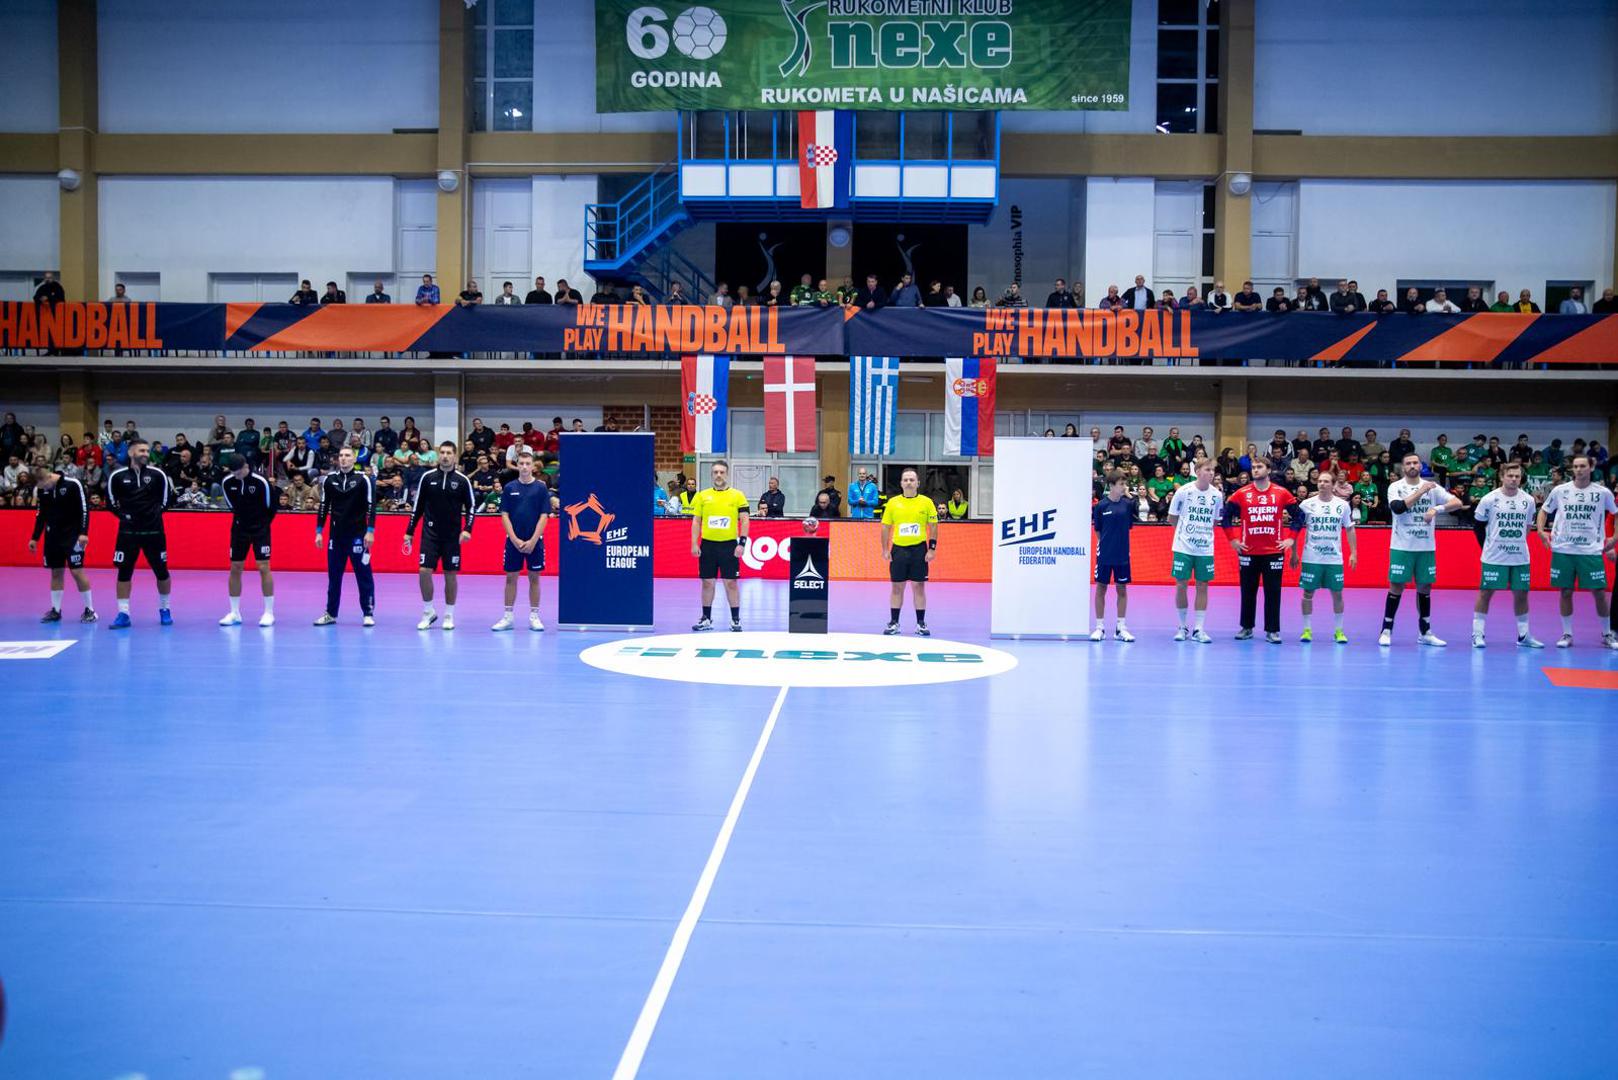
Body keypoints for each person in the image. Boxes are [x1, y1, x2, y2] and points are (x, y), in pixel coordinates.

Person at [1537, 455, 1617, 648]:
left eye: (1583, 466)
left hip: (1590, 550)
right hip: (1564, 548)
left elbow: (1615, 514)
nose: (1579, 469)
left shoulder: (1602, 492)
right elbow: (1544, 510)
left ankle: (1607, 634)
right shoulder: (1560, 490)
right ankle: (1567, 634)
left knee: (1598, 592)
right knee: (1565, 591)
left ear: (1591, 467)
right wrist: (1540, 531)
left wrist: (1615, 537)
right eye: (1575, 466)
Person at [1382, 453, 1461, 647]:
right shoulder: (1396, 486)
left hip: (1426, 547)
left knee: (1425, 587)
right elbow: (1398, 508)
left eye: (1415, 462)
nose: (1412, 466)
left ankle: (1425, 632)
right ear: (1403, 467)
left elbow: (1457, 503)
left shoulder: (1432, 487)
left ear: (1420, 465)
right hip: (1402, 546)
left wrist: (1437, 509)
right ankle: (1386, 629)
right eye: (1408, 463)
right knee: (1396, 586)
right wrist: (1421, 491)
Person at [403, 442, 477, 631]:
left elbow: (471, 507)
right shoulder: (427, 478)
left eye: (449, 453)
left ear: (454, 456)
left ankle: (449, 614)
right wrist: (409, 532)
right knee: (424, 571)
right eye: (442, 452)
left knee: (450, 574)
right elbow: (417, 506)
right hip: (430, 534)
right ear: (438, 455)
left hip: (452, 536)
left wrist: (468, 528)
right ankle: (428, 612)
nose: (445, 456)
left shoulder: (462, 480)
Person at [1223, 458, 1297, 643]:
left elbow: (1299, 516)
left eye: (1259, 467)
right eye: (1253, 468)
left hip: (1273, 552)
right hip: (1248, 551)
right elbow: (1225, 516)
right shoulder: (1242, 493)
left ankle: (1272, 631)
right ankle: (1246, 627)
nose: (1255, 470)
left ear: (1269, 469)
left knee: (1273, 592)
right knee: (1248, 591)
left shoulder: (1281, 493)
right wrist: (1233, 540)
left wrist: (1290, 539)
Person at [104, 440, 174, 628]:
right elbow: (110, 503)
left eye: (147, 451)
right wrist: (125, 516)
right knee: (124, 572)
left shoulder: (158, 474)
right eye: (142, 450)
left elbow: (167, 501)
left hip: (154, 532)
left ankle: (165, 609)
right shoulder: (116, 476)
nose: (145, 453)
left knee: (162, 572)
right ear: (131, 452)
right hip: (127, 533)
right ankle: (123, 613)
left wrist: (152, 515)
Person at [1471, 462, 1542, 649]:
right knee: (1486, 593)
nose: (1513, 479)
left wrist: (1516, 544)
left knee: (1522, 594)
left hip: (1520, 556)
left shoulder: (1528, 500)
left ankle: (1523, 635)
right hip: (1494, 556)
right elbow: (1478, 527)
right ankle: (1477, 634)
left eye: (1517, 476)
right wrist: (1487, 546)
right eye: (1510, 475)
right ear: (1502, 477)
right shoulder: (1488, 499)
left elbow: (1527, 528)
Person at [313, 446, 377, 626]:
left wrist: (370, 531)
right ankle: (331, 613)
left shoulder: (364, 479)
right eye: (341, 456)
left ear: (354, 459)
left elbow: (371, 507)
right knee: (334, 576)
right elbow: (324, 506)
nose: (343, 459)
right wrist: (319, 531)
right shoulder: (329, 480)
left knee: (363, 575)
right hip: (336, 537)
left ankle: (368, 613)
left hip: (358, 535)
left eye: (347, 456)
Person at [1293, 472, 1357, 644]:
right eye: (1320, 481)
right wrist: (1293, 552)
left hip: (1333, 559)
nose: (1322, 484)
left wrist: (1354, 552)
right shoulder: (1306, 504)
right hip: (1311, 557)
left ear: (1333, 484)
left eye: (1326, 481)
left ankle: (1339, 631)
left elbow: (1350, 528)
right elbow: (1296, 529)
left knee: (1337, 594)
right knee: (1307, 593)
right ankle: (1306, 630)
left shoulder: (1342, 505)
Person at [215, 454, 279, 627]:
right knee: (235, 568)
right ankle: (234, 613)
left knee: (263, 567)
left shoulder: (261, 482)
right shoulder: (227, 482)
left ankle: (268, 612)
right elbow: (231, 506)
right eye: (233, 472)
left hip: (260, 529)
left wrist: (261, 524)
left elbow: (271, 507)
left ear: (246, 466)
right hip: (239, 530)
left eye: (238, 472)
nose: (236, 475)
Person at [492, 450, 550, 632]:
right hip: (513, 542)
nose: (524, 467)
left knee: (534, 578)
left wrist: (533, 540)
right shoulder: (509, 488)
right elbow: (504, 515)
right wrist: (514, 539)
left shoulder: (541, 488)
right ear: (517, 465)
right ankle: (508, 616)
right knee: (511, 578)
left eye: (527, 464)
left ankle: (534, 616)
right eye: (521, 463)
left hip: (535, 542)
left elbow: (544, 516)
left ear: (533, 466)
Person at [690, 460, 750, 632]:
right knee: (707, 583)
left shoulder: (737, 495)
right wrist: (694, 543)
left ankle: (735, 620)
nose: (718, 475)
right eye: (715, 472)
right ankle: (706, 619)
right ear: (711, 474)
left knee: (730, 583)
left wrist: (742, 543)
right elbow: (696, 521)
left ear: (727, 474)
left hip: (729, 547)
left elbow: (745, 520)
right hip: (708, 546)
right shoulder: (702, 496)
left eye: (721, 472)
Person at [29, 466, 94, 623]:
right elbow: (41, 515)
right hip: (53, 538)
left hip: (73, 537)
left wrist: (83, 533)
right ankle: (56, 611)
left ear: (49, 477)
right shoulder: (42, 491)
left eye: (43, 486)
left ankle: (90, 610)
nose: (43, 489)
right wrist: (35, 538)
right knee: (56, 572)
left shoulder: (73, 484)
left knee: (77, 572)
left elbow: (84, 509)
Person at [1167, 459, 1222, 643]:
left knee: (1202, 586)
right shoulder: (1183, 491)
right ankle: (1182, 627)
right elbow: (1172, 517)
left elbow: (1214, 521)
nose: (1211, 473)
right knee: (1181, 584)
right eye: (1207, 469)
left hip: (1205, 548)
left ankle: (1199, 629)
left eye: (1213, 470)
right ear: (1197, 471)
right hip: (1183, 546)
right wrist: (1185, 535)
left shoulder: (1217, 495)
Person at [881, 466, 937, 636]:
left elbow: (933, 526)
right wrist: (885, 549)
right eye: (905, 480)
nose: (909, 482)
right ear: (901, 483)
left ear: (918, 483)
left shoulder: (926, 502)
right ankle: (894, 623)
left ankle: (920, 623)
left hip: (919, 550)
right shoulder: (893, 503)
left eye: (912, 480)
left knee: (919, 587)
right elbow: (886, 527)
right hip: (898, 550)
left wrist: (932, 549)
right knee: (897, 587)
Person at [1089, 474, 1135, 641]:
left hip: (1123, 554)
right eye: (1121, 484)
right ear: (1111, 485)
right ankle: (1099, 628)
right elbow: (1098, 530)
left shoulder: (1127, 505)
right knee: (1101, 588)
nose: (1124, 487)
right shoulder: (1101, 506)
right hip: (1105, 555)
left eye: (1125, 483)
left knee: (1122, 589)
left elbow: (1129, 526)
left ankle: (1120, 628)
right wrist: (1107, 545)